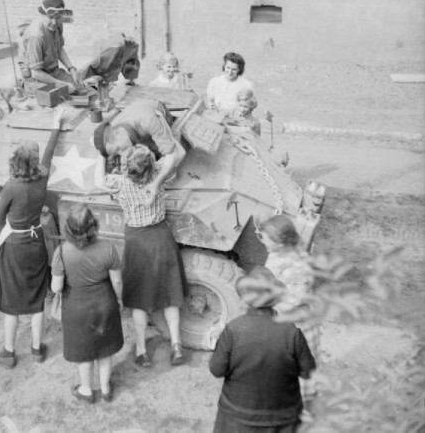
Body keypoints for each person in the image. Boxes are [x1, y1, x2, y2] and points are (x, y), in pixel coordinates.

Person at [0, 105, 66, 369]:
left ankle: (9, 351)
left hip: (14, 245)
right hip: (36, 243)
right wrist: (56, 126)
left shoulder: (12, 187)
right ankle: (36, 348)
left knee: (11, 302)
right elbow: (48, 153)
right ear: (34, 163)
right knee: (36, 299)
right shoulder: (42, 179)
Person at [105, 144, 188, 368]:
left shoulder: (120, 183)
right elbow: (173, 155)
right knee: (170, 295)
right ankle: (177, 345)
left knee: (139, 301)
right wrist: (155, 182)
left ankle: (142, 351)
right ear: (151, 165)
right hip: (161, 237)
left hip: (136, 242)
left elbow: (99, 179)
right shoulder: (158, 175)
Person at [209, 266, 316, 433]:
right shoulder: (291, 332)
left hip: (237, 418)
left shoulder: (233, 331)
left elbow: (216, 370)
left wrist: (218, 343)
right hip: (282, 418)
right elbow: (308, 372)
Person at [51, 204, 124, 404]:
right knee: (105, 350)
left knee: (84, 354)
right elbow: (117, 281)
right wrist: (119, 299)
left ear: (68, 229)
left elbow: (56, 287)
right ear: (94, 226)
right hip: (104, 305)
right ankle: (106, 388)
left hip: (76, 309)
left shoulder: (62, 252)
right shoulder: (108, 248)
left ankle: (86, 390)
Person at [256, 214, 321, 402]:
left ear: (279, 241)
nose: (263, 242)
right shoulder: (290, 252)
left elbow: (294, 300)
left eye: (265, 239)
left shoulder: (288, 264)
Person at [93, 98, 186, 200]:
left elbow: (175, 155)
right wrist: (101, 157)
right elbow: (99, 182)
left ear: (118, 133)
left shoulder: (148, 120)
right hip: (135, 113)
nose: (123, 154)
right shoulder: (112, 136)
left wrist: (155, 184)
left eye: (119, 149)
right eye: (117, 153)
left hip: (154, 110)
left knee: (164, 156)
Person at [20, 0, 81, 94]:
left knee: (79, 85)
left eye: (57, 18)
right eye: (50, 18)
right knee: (61, 97)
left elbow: (59, 48)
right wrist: (63, 85)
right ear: (42, 15)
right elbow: (36, 73)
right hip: (36, 79)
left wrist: (71, 69)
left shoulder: (57, 25)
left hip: (53, 73)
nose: (54, 22)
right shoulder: (36, 36)